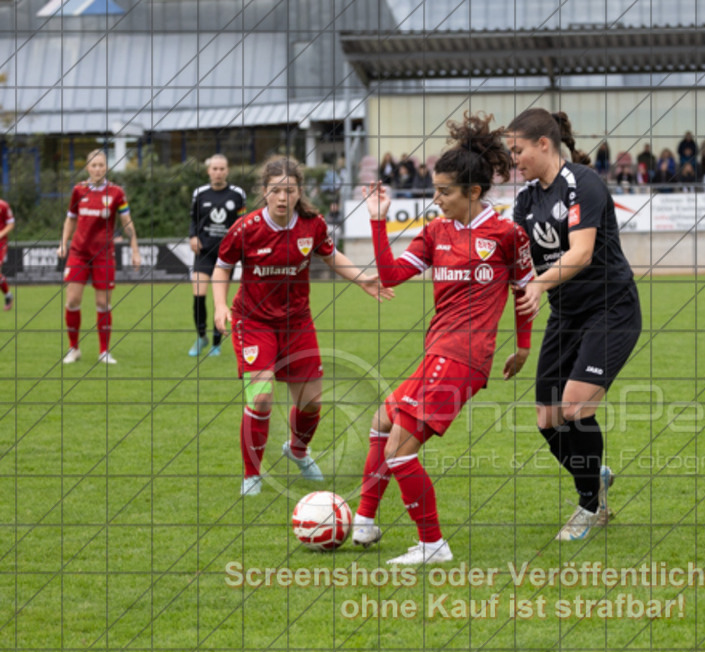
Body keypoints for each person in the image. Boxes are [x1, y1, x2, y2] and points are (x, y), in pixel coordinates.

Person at [354, 113, 534, 564]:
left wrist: (524, 346)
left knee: (398, 451)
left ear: (474, 192)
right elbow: (393, 274)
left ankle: (433, 545)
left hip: (464, 357)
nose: (435, 200)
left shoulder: (507, 235)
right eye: (435, 190)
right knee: (381, 422)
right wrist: (378, 222)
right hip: (438, 351)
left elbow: (523, 290)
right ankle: (364, 520)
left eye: (445, 192)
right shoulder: (436, 233)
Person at [212, 156, 392, 497]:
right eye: (276, 190)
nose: (283, 197)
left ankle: (297, 450)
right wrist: (220, 306)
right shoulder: (246, 228)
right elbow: (222, 267)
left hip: (297, 323)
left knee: (311, 402)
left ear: (299, 192)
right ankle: (252, 474)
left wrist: (361, 280)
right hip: (254, 323)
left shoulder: (312, 225)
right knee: (261, 397)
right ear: (264, 192)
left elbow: (330, 255)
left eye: (290, 190)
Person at [504, 108, 642, 542]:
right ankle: (594, 474)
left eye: (518, 150)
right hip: (566, 315)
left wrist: (541, 285)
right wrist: (522, 344)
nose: (514, 159)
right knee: (547, 419)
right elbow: (517, 267)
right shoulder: (525, 200)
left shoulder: (583, 183)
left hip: (611, 307)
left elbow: (581, 253)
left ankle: (589, 505)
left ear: (543, 144)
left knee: (576, 406)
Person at [59, 149, 141, 364]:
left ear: (107, 167)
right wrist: (63, 243)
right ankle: (73, 349)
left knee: (103, 303)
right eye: (93, 165)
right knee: (72, 299)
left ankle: (104, 351)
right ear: (87, 168)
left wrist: (135, 250)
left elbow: (127, 223)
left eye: (101, 165)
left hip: (104, 255)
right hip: (79, 252)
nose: (97, 169)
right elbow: (70, 219)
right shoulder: (79, 191)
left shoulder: (116, 193)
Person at [187, 154, 247, 357]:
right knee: (198, 296)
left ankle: (215, 343)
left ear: (227, 171)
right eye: (215, 169)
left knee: (218, 300)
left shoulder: (237, 194)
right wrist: (193, 236)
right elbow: (193, 220)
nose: (218, 172)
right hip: (204, 252)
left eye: (222, 169)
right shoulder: (200, 193)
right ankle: (201, 336)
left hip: (226, 256)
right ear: (208, 171)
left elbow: (242, 223)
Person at [0, 196, 14, 311]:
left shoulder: (3, 205)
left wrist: (1, 234)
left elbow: (11, 224)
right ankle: (8, 295)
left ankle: (8, 296)